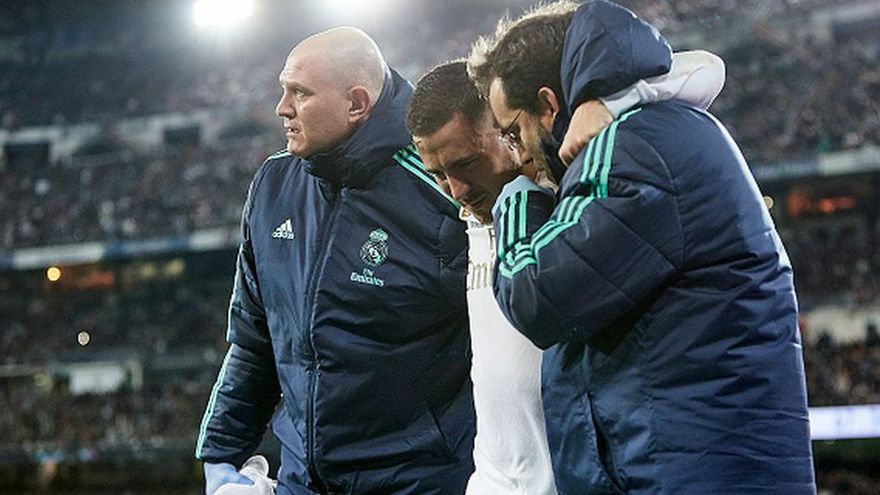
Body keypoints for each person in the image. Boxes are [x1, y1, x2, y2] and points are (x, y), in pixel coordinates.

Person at [467, 1, 816, 494]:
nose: (518, 154)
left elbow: (537, 295)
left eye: (513, 131)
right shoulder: (653, 129)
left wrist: (517, 199)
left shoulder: (633, 145)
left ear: (548, 105)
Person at [406, 51, 724, 494]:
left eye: (465, 164)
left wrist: (605, 103)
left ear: (507, 130)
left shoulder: (565, 194)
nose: (456, 191)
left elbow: (706, 69)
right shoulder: (470, 215)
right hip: (492, 481)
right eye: (438, 174)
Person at [196, 27, 475, 495]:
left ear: (356, 104)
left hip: (417, 481)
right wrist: (220, 455)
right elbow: (254, 340)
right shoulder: (273, 185)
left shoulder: (442, 188)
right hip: (302, 482)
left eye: (300, 93)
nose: (281, 108)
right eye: (283, 90)